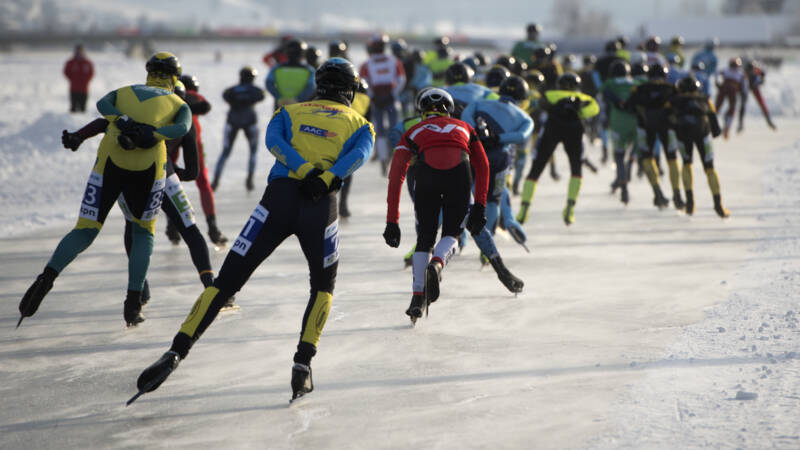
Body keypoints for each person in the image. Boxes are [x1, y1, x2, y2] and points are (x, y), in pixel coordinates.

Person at [134, 58, 375, 403]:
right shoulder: (362, 125)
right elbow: (358, 157)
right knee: (323, 286)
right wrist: (323, 177)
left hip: (276, 202)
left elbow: (274, 144)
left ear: (317, 86)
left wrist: (303, 169)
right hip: (321, 206)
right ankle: (302, 365)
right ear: (349, 91)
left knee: (227, 282)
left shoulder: (288, 112)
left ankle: (176, 351)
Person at [18, 52, 191, 328]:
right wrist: (153, 134)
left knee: (85, 229)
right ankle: (133, 303)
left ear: (148, 73)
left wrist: (122, 121)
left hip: (110, 161)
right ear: (174, 78)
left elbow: (101, 105)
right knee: (143, 232)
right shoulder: (177, 102)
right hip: (149, 166)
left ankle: (46, 278)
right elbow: (183, 126)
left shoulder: (125, 91)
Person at [61, 81, 221, 312]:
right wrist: (176, 172)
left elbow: (101, 122)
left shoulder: (139, 110)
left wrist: (78, 137)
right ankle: (210, 287)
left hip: (129, 178)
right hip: (166, 177)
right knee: (189, 229)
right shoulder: (184, 122)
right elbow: (194, 171)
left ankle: (139, 291)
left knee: (133, 227)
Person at [388, 89, 524, 294]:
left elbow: (394, 145)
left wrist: (392, 220)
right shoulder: (456, 122)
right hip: (455, 174)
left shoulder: (406, 126)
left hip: (419, 178)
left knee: (426, 229)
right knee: (468, 221)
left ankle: (420, 282)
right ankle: (500, 269)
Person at [383, 88, 490, 323]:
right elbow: (483, 166)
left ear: (421, 111)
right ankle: (438, 263)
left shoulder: (412, 131)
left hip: (425, 176)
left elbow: (395, 177)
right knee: (452, 232)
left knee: (425, 239)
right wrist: (480, 205)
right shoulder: (465, 127)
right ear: (449, 110)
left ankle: (417, 297)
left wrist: (392, 221)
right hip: (459, 174)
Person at [517, 72, 599, 226]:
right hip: (574, 132)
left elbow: (535, 102)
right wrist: (579, 111)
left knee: (535, 170)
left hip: (552, 130)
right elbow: (594, 109)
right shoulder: (584, 98)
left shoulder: (549, 94)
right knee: (576, 170)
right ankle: (570, 207)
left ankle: (524, 209)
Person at [461, 75, 533, 249]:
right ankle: (489, 243)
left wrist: (476, 135)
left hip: (473, 152)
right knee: (494, 200)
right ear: (522, 98)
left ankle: (453, 233)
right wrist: (498, 138)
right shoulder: (525, 117)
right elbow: (522, 136)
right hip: (499, 157)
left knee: (467, 194)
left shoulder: (480, 104)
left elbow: (465, 116)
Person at [178, 73, 228, 246]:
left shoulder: (170, 94)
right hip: (193, 138)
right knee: (203, 182)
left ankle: (172, 225)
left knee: (170, 180)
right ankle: (212, 226)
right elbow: (205, 105)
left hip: (171, 137)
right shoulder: (192, 94)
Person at [669, 76, 729, 217]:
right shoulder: (704, 99)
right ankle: (718, 204)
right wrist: (714, 133)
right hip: (703, 134)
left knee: (686, 164)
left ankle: (690, 203)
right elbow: (716, 128)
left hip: (683, 135)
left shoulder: (675, 101)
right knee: (709, 169)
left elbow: (669, 120)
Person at [625, 63, 682, 209]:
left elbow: (629, 107)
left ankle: (657, 192)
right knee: (672, 159)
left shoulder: (639, 89)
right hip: (667, 127)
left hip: (645, 127)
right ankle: (677, 193)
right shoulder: (672, 88)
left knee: (647, 158)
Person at [212, 66, 266, 192]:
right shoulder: (255, 90)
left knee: (225, 152)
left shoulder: (232, 90)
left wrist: (236, 102)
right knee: (253, 152)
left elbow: (225, 95)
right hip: (250, 121)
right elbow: (262, 95)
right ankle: (249, 179)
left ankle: (216, 180)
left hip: (233, 121)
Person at [359, 33, 406, 176]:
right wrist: (393, 94)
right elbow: (401, 79)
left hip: (380, 99)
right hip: (388, 99)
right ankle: (390, 159)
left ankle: (385, 160)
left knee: (380, 130)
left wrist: (373, 97)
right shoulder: (393, 61)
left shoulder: (367, 64)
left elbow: (363, 82)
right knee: (392, 129)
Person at [600, 60, 638, 204]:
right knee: (633, 150)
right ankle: (632, 162)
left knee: (619, 156)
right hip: (635, 123)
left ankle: (623, 187)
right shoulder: (633, 82)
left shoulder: (610, 83)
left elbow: (602, 93)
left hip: (617, 123)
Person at [338, 78, 371, 218]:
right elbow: (369, 124)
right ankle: (343, 205)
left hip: (335, 136)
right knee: (348, 173)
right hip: (353, 140)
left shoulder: (341, 97)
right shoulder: (366, 100)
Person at [266, 39, 316, 108]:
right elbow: (311, 87)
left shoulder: (277, 68)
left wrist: (279, 97)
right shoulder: (309, 70)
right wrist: (298, 99)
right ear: (303, 54)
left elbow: (269, 83)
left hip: (281, 105)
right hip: (299, 106)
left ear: (286, 53)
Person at [715, 57, 748, 139]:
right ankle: (723, 128)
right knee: (724, 108)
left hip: (727, 89)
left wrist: (717, 83)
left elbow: (716, 73)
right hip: (729, 89)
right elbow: (743, 87)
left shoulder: (734, 72)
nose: (734, 68)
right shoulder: (739, 73)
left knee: (722, 108)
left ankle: (725, 128)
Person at [740, 59, 777, 132]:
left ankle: (769, 121)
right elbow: (741, 80)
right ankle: (740, 123)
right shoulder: (744, 72)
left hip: (754, 86)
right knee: (743, 104)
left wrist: (760, 81)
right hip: (747, 86)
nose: (750, 72)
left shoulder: (756, 70)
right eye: (748, 72)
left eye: (751, 71)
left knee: (762, 103)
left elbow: (763, 74)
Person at [63, 44, 94, 113]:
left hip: (84, 89)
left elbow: (91, 73)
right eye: (77, 51)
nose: (79, 53)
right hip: (74, 89)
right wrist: (73, 79)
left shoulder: (87, 63)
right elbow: (66, 72)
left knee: (83, 109)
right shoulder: (71, 62)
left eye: (80, 51)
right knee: (73, 108)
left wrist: (86, 80)